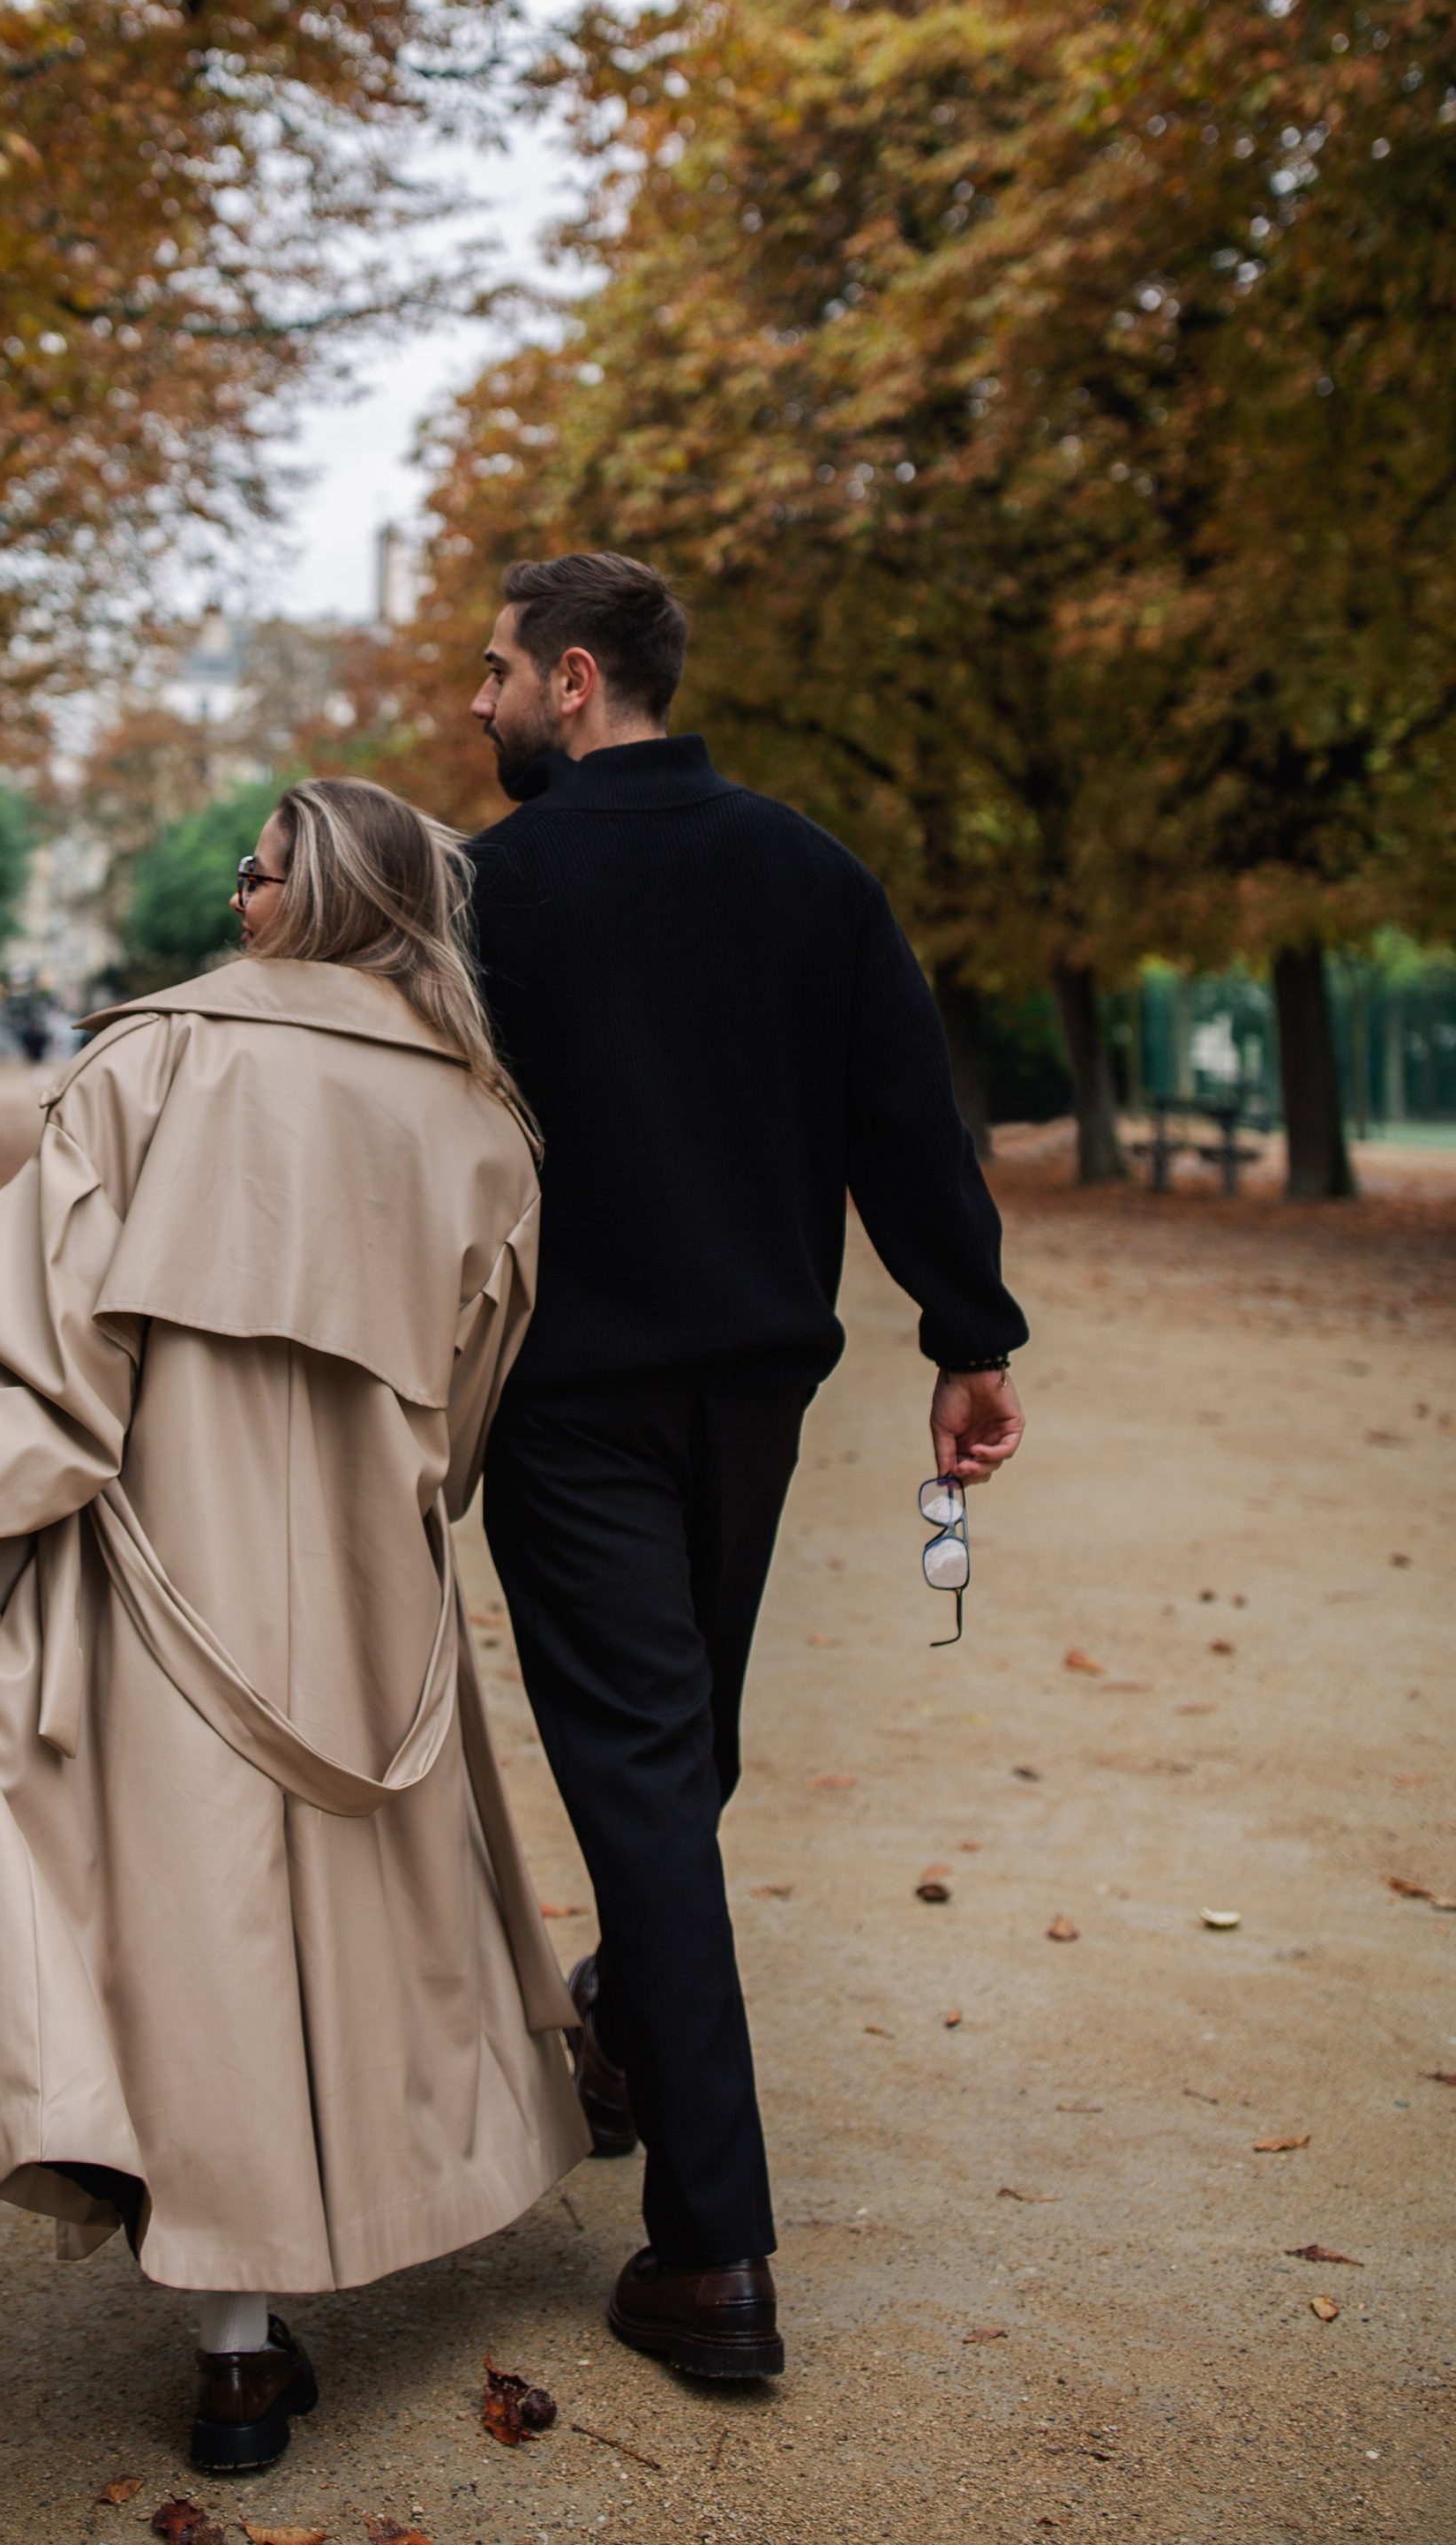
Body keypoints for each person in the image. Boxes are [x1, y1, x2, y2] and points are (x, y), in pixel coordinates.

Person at [0, 777, 588, 2473]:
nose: (237, 902)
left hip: (157, 1576)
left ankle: (237, 2349)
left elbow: (49, 1357)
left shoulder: (142, 1066)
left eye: (263, 877)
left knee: (201, 1933)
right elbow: (472, 1403)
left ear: (330, 895)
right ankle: (369, 2217)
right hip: (369, 1594)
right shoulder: (483, 1125)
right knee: (359, 1924)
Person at [462, 551, 1029, 2385]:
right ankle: (631, 2011)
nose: (470, 707)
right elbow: (905, 1114)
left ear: (570, 678)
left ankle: (707, 2253)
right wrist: (967, 1331)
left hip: (567, 1406)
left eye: (488, 675)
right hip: (748, 1399)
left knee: (652, 1761)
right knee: (675, 1750)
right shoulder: (806, 869)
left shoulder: (484, 891)